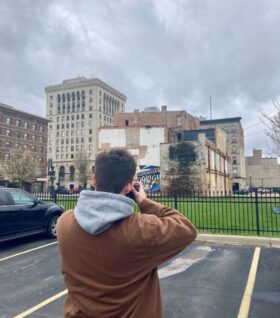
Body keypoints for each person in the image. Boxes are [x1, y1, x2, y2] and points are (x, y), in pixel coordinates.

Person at [57, 148, 197, 318]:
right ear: (130, 185)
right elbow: (186, 229)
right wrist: (144, 201)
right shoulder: (142, 231)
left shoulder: (65, 223)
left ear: (94, 179)